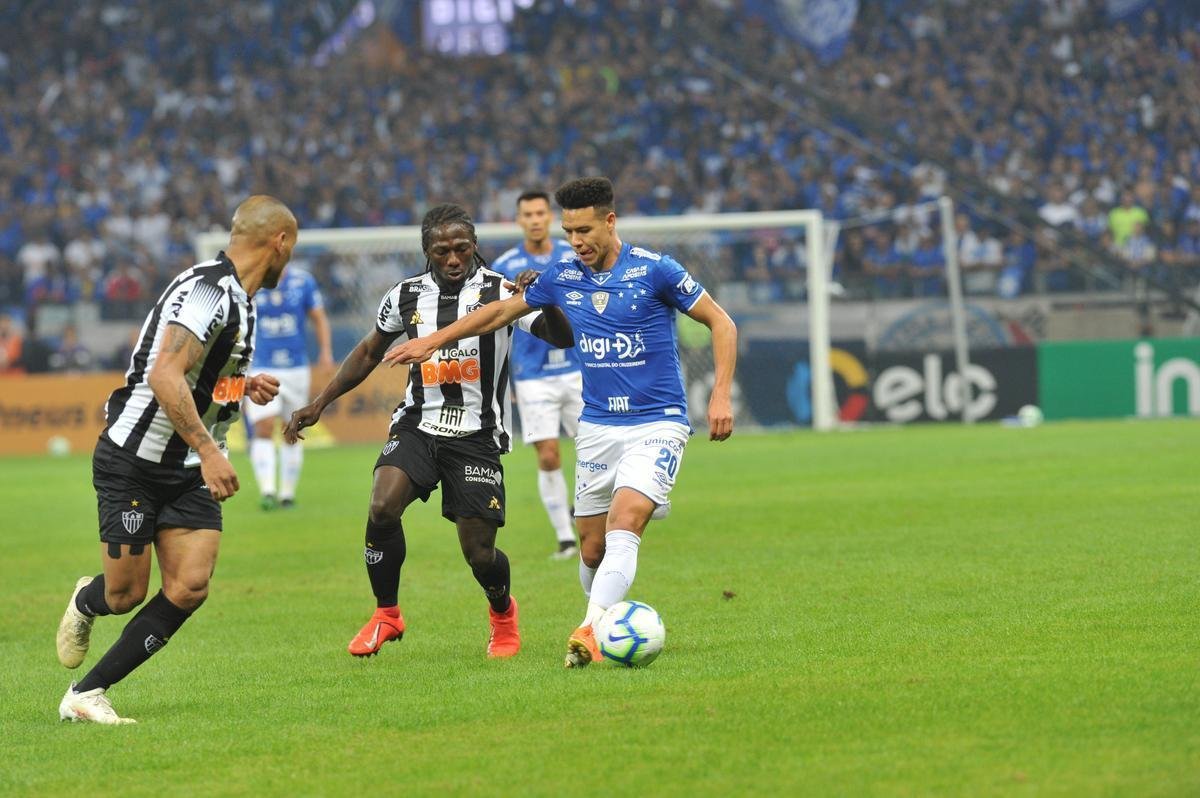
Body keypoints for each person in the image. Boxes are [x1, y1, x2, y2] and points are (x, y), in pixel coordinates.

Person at [384, 177, 737, 668]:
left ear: (610, 222)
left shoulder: (656, 271)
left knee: (625, 520)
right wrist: (432, 341)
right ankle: (601, 612)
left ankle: (590, 631)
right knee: (591, 550)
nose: (576, 241)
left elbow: (722, 322)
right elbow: (500, 311)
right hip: (596, 429)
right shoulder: (564, 274)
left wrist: (719, 394)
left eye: (585, 230)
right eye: (569, 231)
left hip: (658, 423)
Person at [283, 204, 573, 660]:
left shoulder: (501, 289)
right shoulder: (404, 296)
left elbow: (562, 337)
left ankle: (502, 612)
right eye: (443, 251)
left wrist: (547, 299)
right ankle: (387, 614)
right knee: (381, 506)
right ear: (427, 252)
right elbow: (366, 352)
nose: (454, 259)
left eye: (461, 249)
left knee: (479, 553)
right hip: (418, 423)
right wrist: (320, 402)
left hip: (477, 435)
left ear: (474, 247)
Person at [54, 195, 297, 724]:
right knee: (124, 596)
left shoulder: (242, 302)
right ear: (280, 242)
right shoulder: (210, 290)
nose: (289, 260)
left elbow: (194, 377)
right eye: (290, 248)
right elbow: (165, 374)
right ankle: (86, 600)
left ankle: (87, 693)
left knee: (189, 586)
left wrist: (239, 385)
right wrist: (210, 450)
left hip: (185, 470)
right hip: (135, 461)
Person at [492, 190, 583, 560]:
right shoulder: (506, 263)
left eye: (540, 212)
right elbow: (499, 317)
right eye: (527, 213)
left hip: (579, 366)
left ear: (550, 217)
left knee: (593, 447)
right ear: (519, 220)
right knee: (547, 456)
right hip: (532, 374)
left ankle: (590, 514)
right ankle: (565, 537)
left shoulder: (572, 253)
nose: (534, 219)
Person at [243, 264, 334, 510]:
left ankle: (287, 493)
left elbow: (319, 317)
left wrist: (326, 352)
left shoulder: (303, 281)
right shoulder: (252, 278)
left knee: (291, 427)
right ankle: (267, 491)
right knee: (262, 427)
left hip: (296, 368)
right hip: (261, 366)